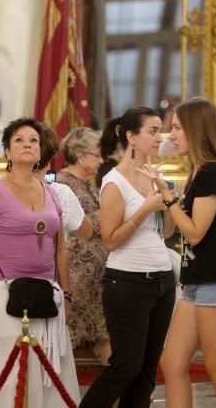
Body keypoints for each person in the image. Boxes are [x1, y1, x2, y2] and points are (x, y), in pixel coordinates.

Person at [0, 117, 80, 407]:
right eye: (19, 140)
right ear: (7, 152)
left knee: (48, 365)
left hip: (46, 291)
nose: (27, 144)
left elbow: (61, 249)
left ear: (41, 152)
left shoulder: (51, 192)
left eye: (33, 140)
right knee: (7, 363)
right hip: (0, 290)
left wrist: (66, 293)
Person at [156, 97, 216, 408]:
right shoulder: (200, 172)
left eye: (177, 128)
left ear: (196, 131)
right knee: (172, 361)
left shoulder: (212, 172)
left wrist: (169, 199)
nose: (171, 135)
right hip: (199, 279)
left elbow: (196, 232)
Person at [79, 107, 176, 408]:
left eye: (160, 131)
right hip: (127, 282)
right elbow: (110, 240)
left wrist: (165, 194)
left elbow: (169, 231)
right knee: (125, 367)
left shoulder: (155, 176)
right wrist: (145, 208)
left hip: (162, 280)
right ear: (131, 136)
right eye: (152, 131)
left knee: (147, 372)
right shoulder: (114, 181)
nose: (159, 137)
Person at [55, 127, 110, 363]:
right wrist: (112, 215)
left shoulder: (88, 184)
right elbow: (82, 224)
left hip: (99, 273)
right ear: (79, 155)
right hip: (76, 273)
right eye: (96, 154)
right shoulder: (62, 182)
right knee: (69, 332)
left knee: (105, 331)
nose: (101, 160)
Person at [36, 124, 93, 241]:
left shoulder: (61, 190)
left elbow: (86, 230)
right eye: (97, 155)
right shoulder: (59, 190)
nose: (101, 160)